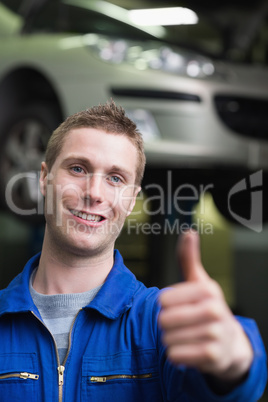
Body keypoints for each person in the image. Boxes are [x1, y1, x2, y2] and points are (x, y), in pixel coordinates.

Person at [0, 100, 266, 401]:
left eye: (115, 178)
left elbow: (220, 387)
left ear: (131, 200)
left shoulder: (159, 322)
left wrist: (236, 359)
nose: (94, 193)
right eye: (78, 168)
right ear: (45, 180)